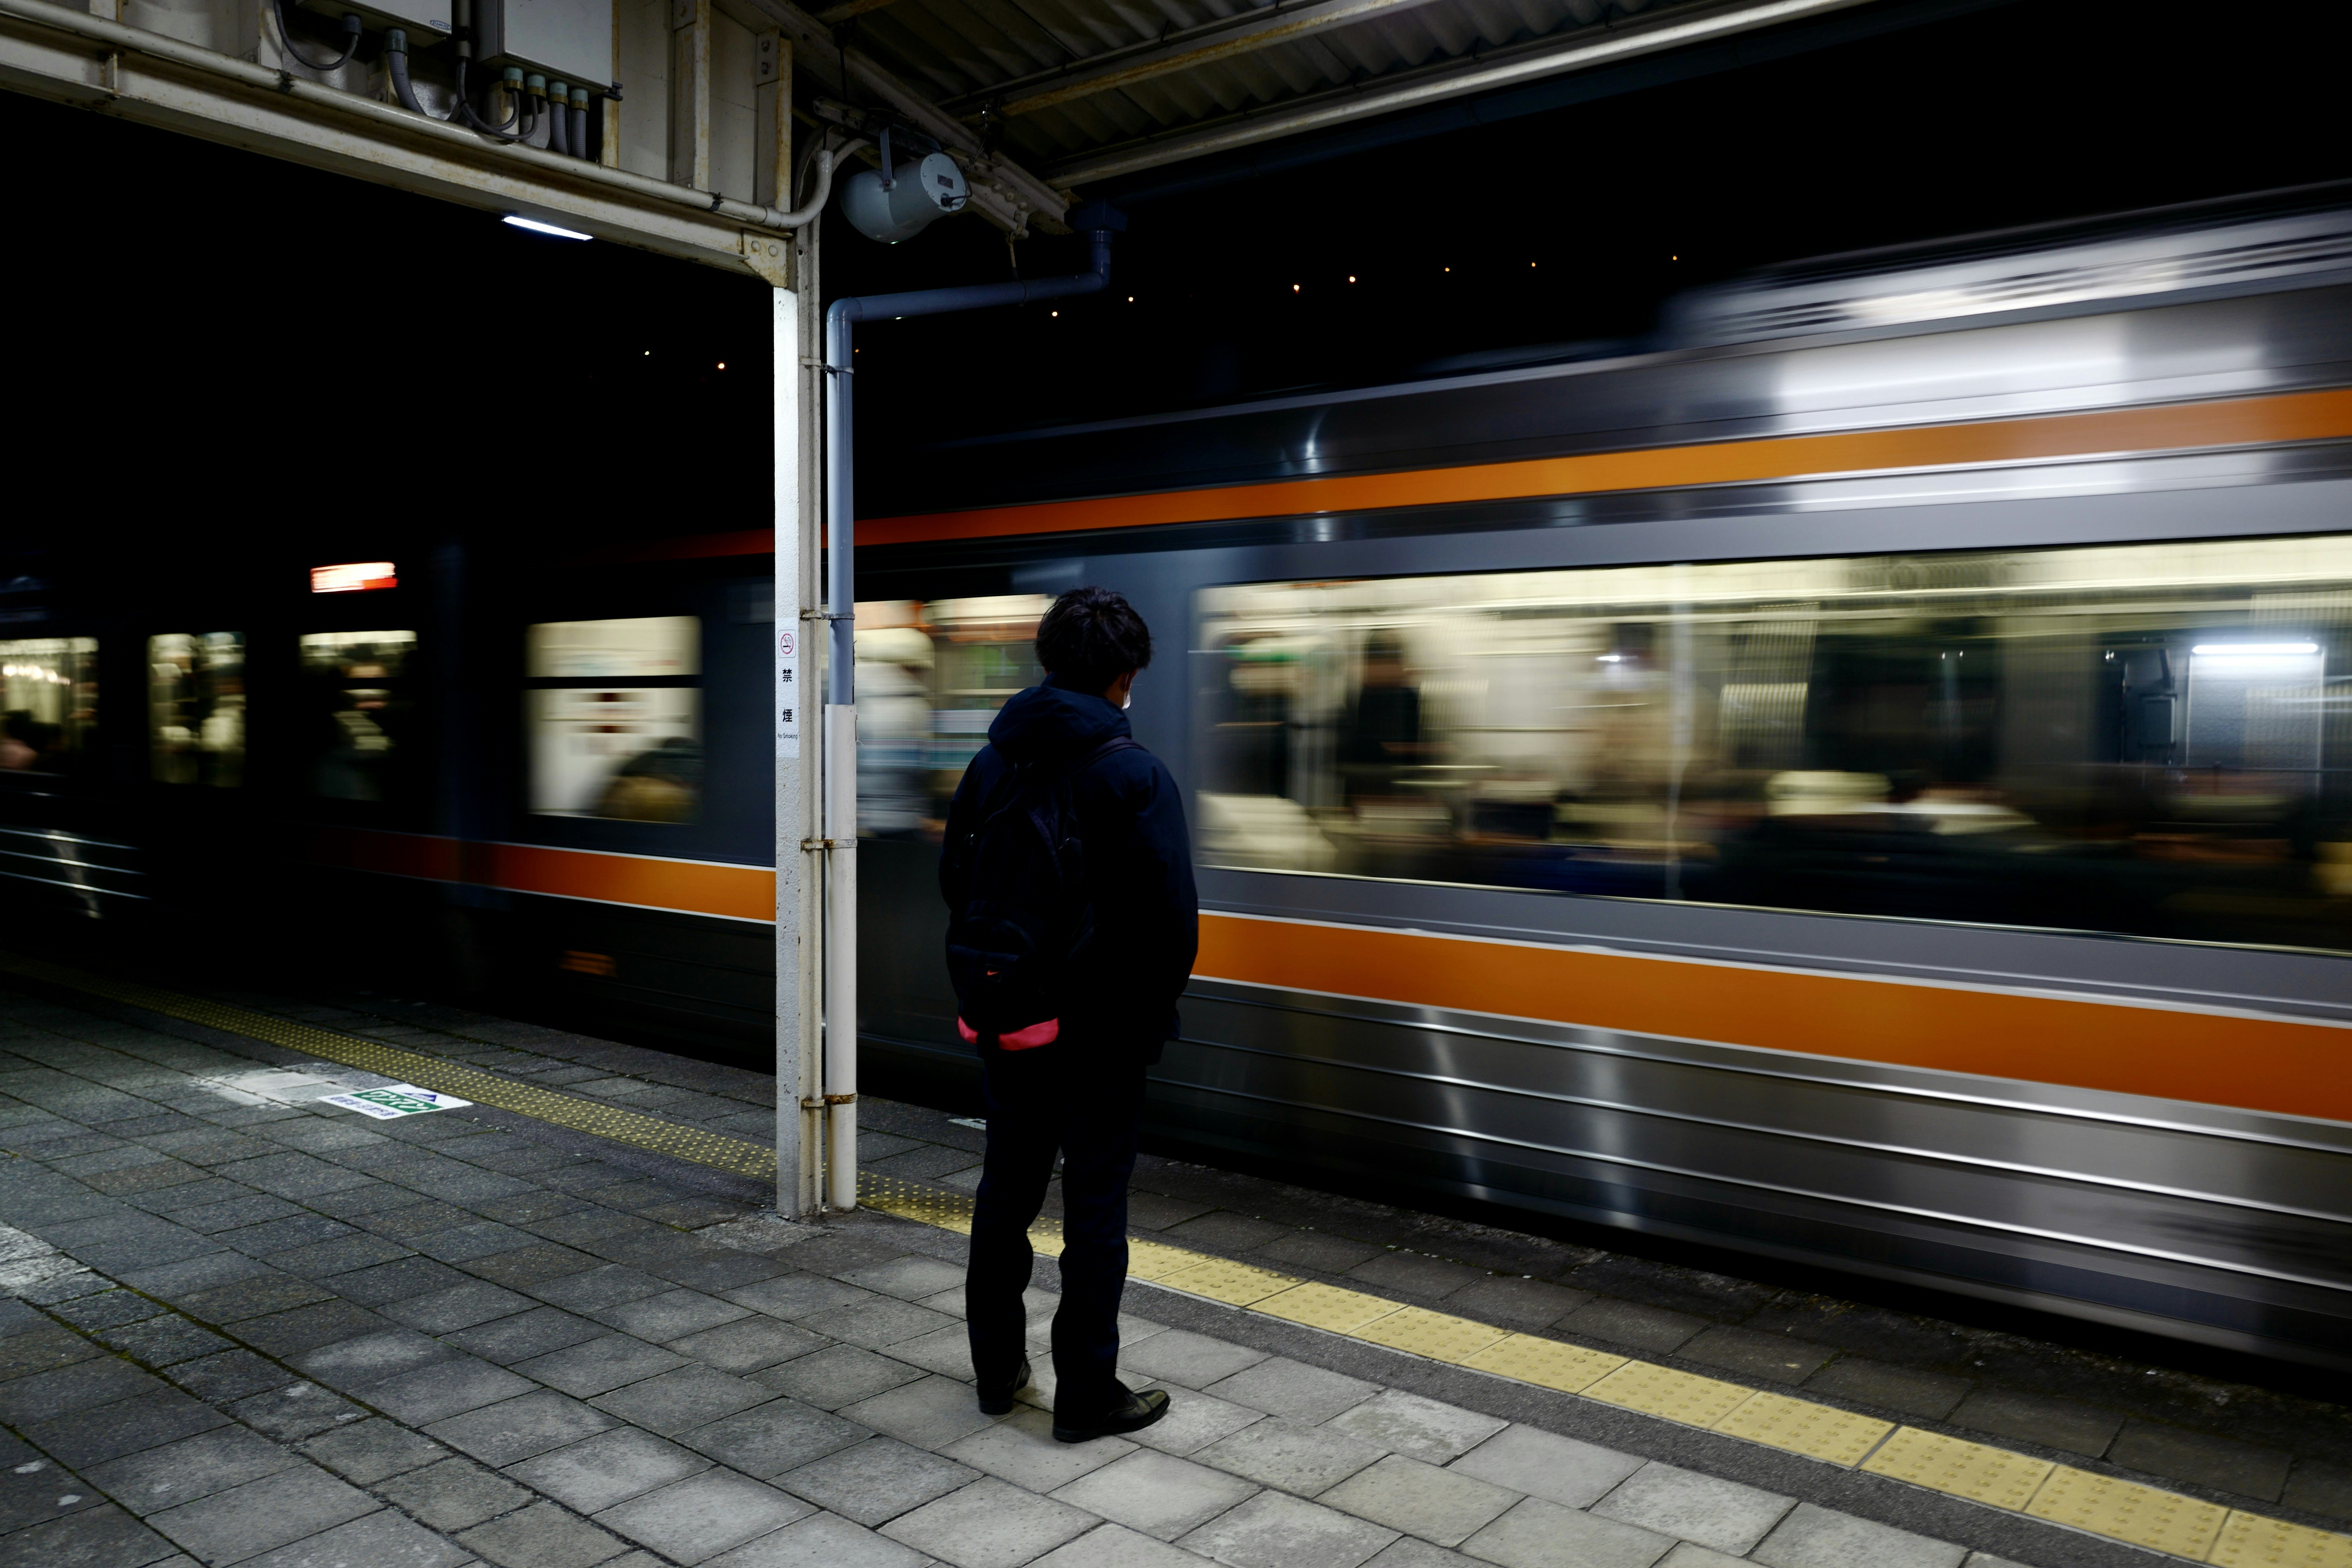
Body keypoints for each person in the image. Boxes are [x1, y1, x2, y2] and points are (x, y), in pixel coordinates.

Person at [938, 586, 1198, 1443]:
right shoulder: (1134, 773)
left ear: (1047, 663)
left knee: (1004, 1192)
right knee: (1093, 1209)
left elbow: (957, 885)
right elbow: (1170, 923)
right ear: (1125, 676)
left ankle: (994, 1373)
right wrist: (1145, 1017)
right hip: (1101, 1039)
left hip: (1011, 1020)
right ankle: (1086, 1394)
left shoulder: (990, 763)